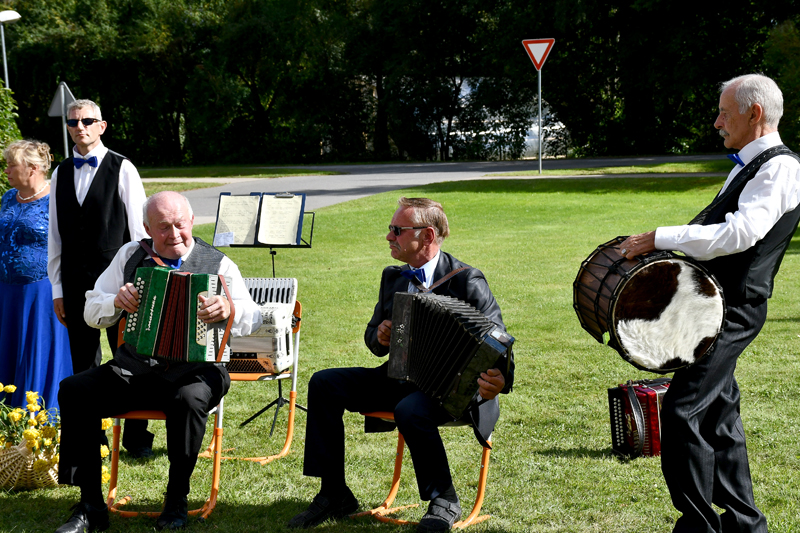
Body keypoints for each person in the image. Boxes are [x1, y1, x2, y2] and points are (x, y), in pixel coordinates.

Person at [619, 73, 800, 533]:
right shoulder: (752, 164)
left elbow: (740, 234)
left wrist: (660, 237)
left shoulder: (780, 168)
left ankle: (698, 526)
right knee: (720, 414)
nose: (717, 122)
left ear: (754, 114)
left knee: (682, 409)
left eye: (724, 113)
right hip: (712, 306)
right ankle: (745, 524)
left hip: (733, 309)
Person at [288, 197, 515, 532]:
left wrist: (500, 380)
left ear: (427, 236)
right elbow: (373, 338)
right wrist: (379, 337)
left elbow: (499, 340)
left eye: (397, 230)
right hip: (400, 379)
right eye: (390, 229)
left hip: (453, 391)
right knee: (324, 383)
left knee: (410, 408)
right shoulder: (393, 277)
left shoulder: (467, 280)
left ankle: (444, 500)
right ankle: (334, 493)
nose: (389, 236)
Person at [54, 191, 262, 533]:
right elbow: (91, 311)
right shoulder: (131, 255)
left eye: (180, 224)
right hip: (137, 370)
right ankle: (90, 506)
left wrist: (230, 309)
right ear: (148, 229)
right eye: (163, 227)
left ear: (192, 221)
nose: (174, 234)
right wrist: (116, 302)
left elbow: (253, 316)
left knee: (188, 398)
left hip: (198, 371)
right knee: (75, 390)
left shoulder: (218, 263)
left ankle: (176, 500)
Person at [47, 98, 152, 456]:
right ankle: (92, 437)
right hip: (75, 283)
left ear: (101, 126)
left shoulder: (123, 168)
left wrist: (139, 281)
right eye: (73, 122)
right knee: (83, 361)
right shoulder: (60, 173)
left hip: (120, 283)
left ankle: (137, 437)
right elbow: (55, 237)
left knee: (131, 357)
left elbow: (140, 233)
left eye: (87, 121)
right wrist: (57, 289)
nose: (80, 127)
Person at [0, 140, 72, 411]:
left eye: (11, 165)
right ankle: (7, 412)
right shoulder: (8, 197)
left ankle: (39, 414)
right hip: (6, 290)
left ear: (32, 168)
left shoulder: (57, 199)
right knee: (8, 349)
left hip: (40, 290)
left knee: (35, 352)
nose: (6, 170)